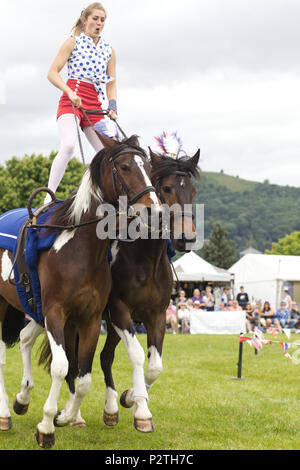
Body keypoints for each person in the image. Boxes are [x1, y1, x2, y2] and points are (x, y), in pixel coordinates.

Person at [45, 3, 117, 203]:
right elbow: (52, 73)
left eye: (102, 20)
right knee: (68, 145)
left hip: (95, 103)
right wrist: (69, 91)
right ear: (85, 20)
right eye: (95, 19)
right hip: (72, 98)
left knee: (108, 154)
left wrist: (113, 106)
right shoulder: (73, 42)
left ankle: (100, 197)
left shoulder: (109, 50)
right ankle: (48, 197)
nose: (99, 23)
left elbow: (112, 83)